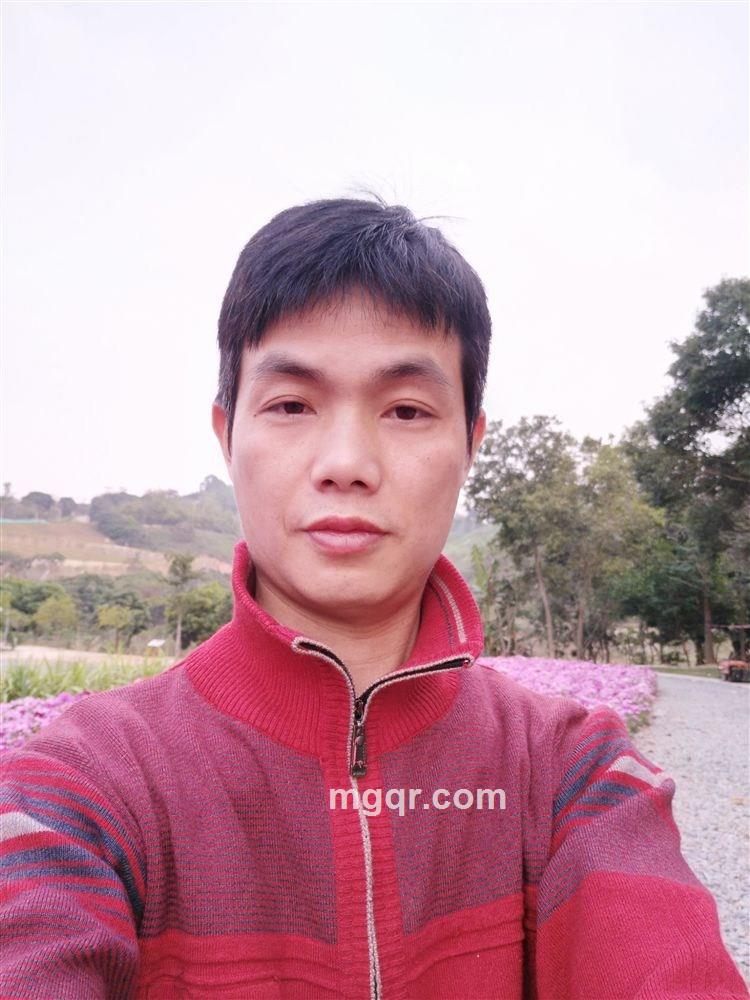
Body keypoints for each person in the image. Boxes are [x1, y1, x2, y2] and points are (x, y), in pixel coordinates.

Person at [1, 198, 747, 1000]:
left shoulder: (574, 772)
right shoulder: (81, 789)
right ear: (227, 435)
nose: (347, 462)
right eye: (292, 404)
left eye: (407, 410)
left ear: (470, 444)